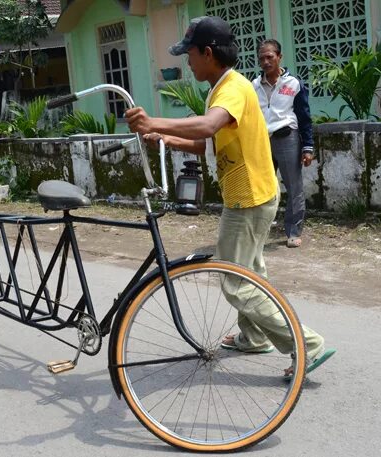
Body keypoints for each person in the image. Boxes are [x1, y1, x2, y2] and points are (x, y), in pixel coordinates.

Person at [124, 16, 334, 377]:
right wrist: (167, 139)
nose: (186, 62)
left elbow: (207, 125)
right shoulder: (221, 87)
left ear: (207, 53)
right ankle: (253, 337)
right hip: (249, 194)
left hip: (249, 199)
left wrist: (153, 122)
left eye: (189, 54)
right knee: (249, 272)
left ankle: (306, 344)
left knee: (235, 282)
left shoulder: (232, 88)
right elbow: (207, 141)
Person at [252, 39, 314, 248]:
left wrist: (308, 147)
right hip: (262, 141)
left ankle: (294, 231)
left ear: (279, 57)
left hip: (287, 138)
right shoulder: (254, 85)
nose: (266, 61)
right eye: (262, 58)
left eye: (270, 57)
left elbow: (304, 117)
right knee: (263, 188)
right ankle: (260, 232)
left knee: (293, 186)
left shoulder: (293, 84)